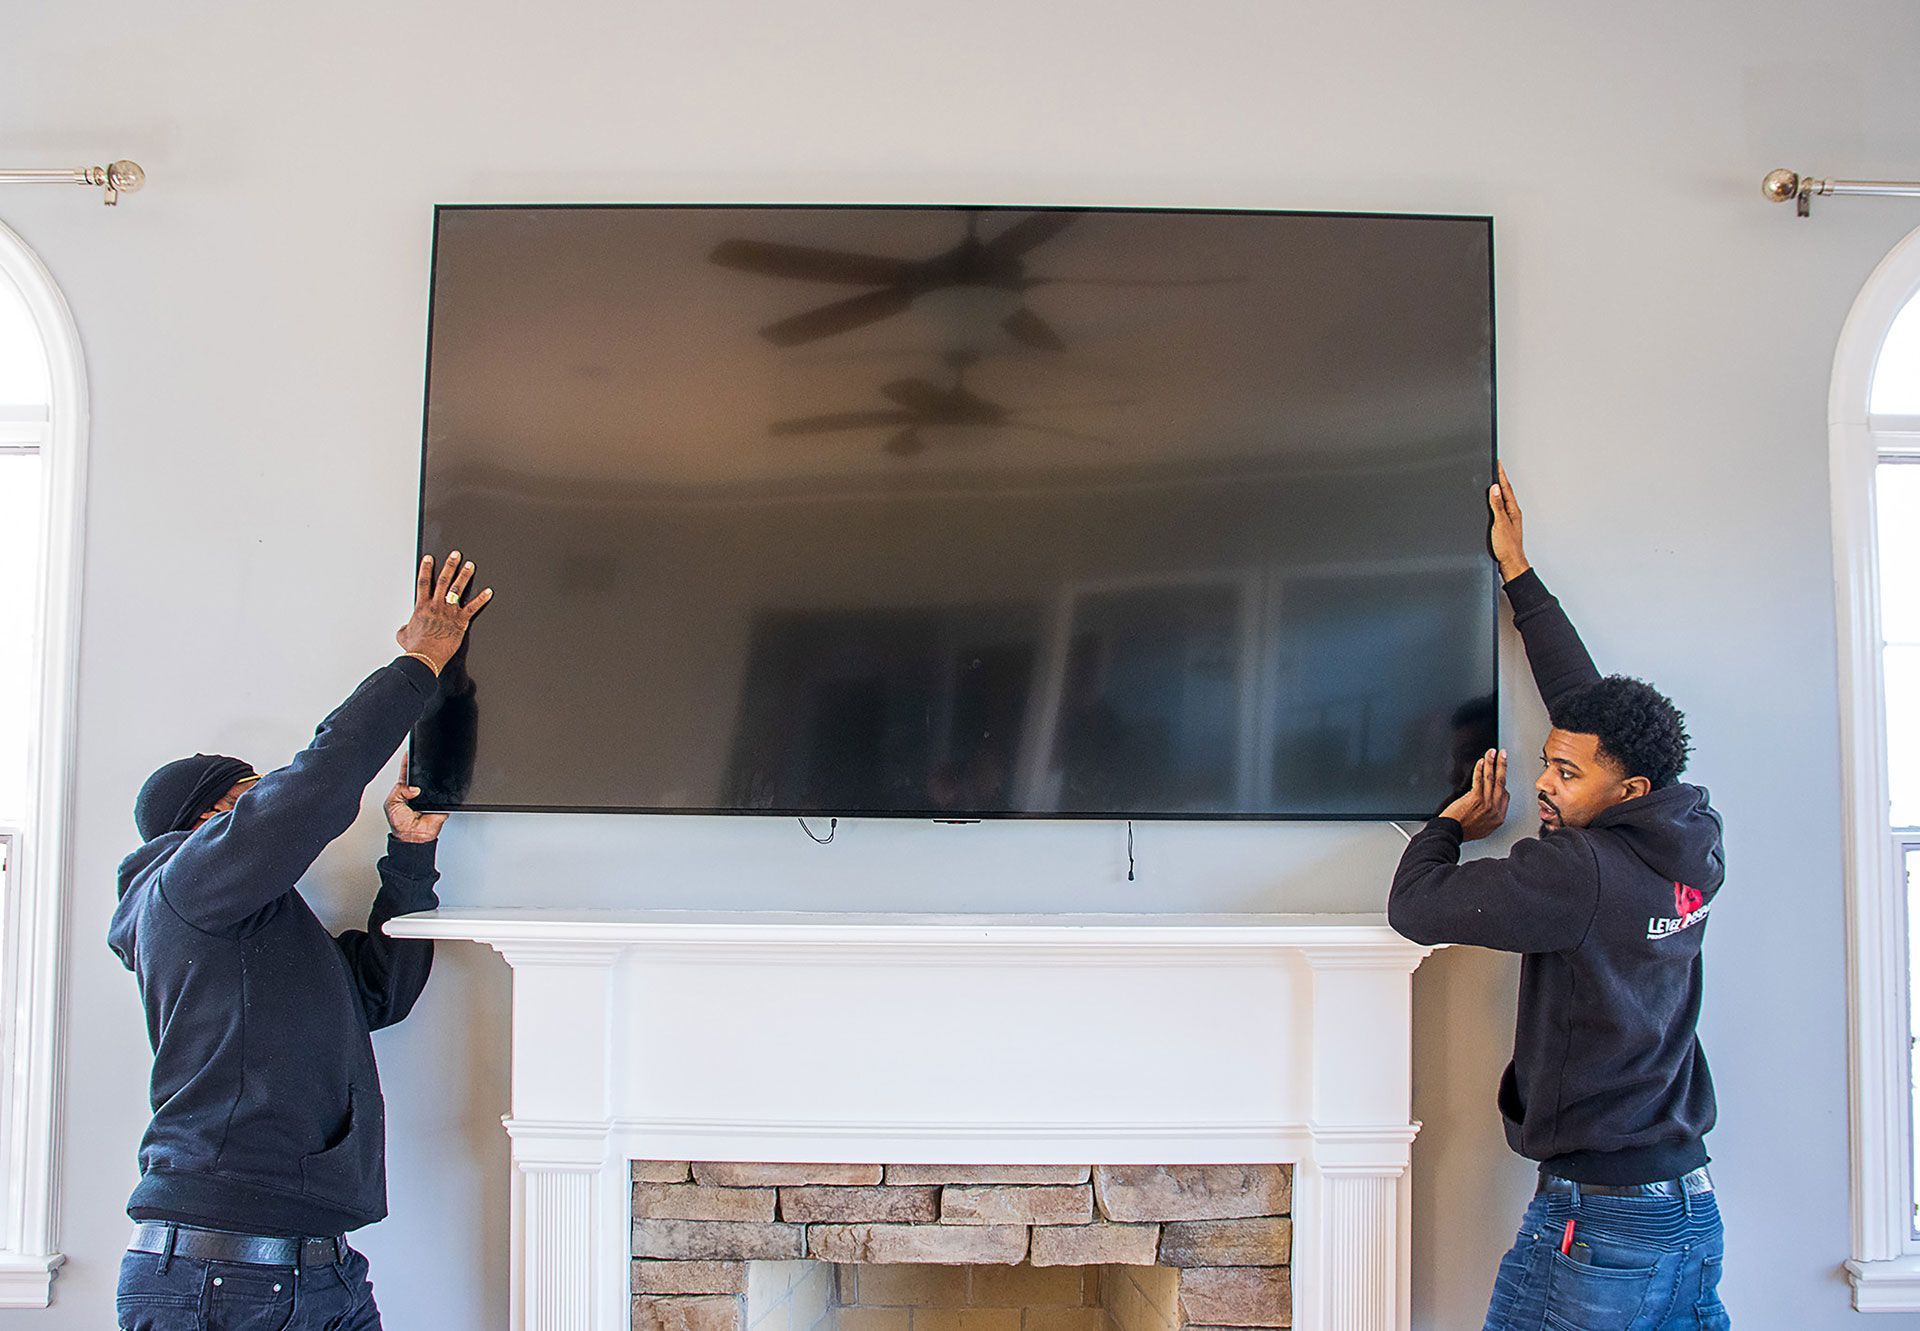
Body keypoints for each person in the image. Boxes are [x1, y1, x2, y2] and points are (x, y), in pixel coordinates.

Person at [109, 552, 493, 1331]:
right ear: (214, 817)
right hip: (224, 1276)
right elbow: (319, 782)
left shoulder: (253, 929)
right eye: (254, 796)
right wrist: (418, 661)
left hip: (316, 1269)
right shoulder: (186, 886)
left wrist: (410, 854)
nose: (270, 808)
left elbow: (381, 994)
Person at [1387, 468, 1730, 1330]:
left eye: (1565, 773)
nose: (1544, 782)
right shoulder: (1687, 834)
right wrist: (1519, 572)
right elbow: (1588, 709)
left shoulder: (1579, 873)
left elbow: (1417, 908)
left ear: (1627, 787)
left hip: (1602, 1222)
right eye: (1548, 759)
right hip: (1685, 1209)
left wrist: (1450, 826)